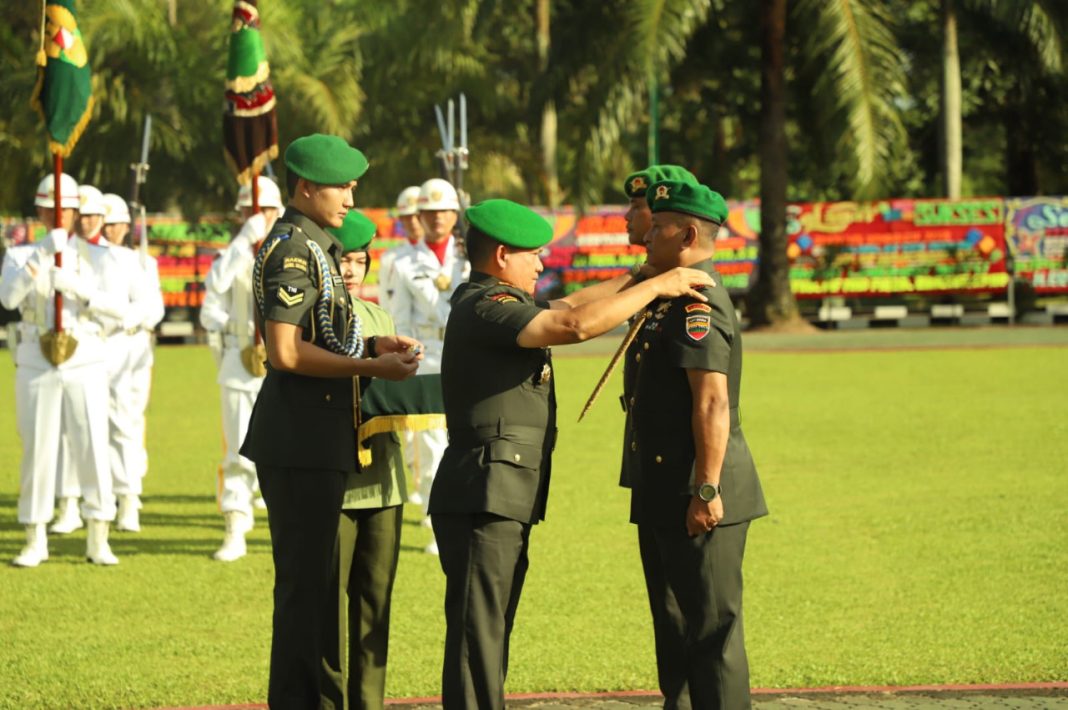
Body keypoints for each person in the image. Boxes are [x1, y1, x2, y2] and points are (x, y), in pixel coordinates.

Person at [429, 198, 715, 709]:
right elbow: (572, 328)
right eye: (533, 255)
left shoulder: (498, 301)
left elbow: (568, 308)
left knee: (489, 632)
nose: (541, 264)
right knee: (479, 638)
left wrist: (641, 275)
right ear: (500, 255)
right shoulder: (483, 305)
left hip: (500, 496)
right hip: (482, 496)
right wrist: (658, 285)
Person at [238, 133, 422, 709]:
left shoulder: (313, 243)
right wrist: (370, 364)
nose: (350, 196)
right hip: (301, 441)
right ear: (306, 187)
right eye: (341, 185)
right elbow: (286, 352)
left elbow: (323, 333)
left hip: (313, 439)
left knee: (313, 592)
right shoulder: (295, 248)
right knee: (306, 594)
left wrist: (372, 338)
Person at [627, 179, 768, 709]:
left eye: (658, 226)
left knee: (712, 635)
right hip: (664, 484)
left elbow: (711, 402)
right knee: (675, 628)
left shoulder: (697, 303)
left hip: (698, 489)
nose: (646, 234)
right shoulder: (669, 293)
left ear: (687, 234)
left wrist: (706, 489)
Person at [0, 173, 131, 566]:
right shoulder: (21, 254)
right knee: (38, 449)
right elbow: (8, 297)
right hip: (37, 357)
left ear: (75, 213)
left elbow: (121, 309)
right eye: (51, 209)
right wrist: (40, 256)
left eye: (67, 210)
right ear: (39, 210)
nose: (59, 216)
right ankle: (35, 535)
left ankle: (98, 534)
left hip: (86, 356)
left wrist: (78, 287)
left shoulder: (102, 255)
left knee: (92, 444)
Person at [320, 210, 407, 710]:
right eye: (343, 260)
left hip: (382, 481)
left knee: (375, 603)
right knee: (329, 604)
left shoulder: (380, 318)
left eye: (359, 261)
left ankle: (368, 703)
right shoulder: (314, 317)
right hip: (334, 479)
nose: (351, 271)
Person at [199, 176, 282, 561]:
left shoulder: (289, 250)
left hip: (284, 360)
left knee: (287, 449)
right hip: (239, 358)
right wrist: (241, 242)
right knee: (236, 450)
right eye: (250, 211)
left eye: (264, 211)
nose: (258, 218)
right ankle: (235, 525)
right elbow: (214, 285)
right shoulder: (230, 256)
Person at [390, 177, 470, 553]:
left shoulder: (472, 255)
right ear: (419, 215)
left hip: (465, 354)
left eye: (444, 211)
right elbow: (400, 320)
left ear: (456, 213)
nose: (437, 218)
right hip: (427, 357)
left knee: (467, 438)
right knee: (431, 446)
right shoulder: (402, 261)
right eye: (430, 212)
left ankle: (466, 511)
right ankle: (439, 520)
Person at [100, 191, 165, 532]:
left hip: (131, 348)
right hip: (99, 347)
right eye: (105, 224)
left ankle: (127, 494)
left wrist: (124, 317)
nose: (110, 230)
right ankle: (108, 492)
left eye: (116, 224)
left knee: (128, 423)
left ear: (127, 226)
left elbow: (154, 308)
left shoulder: (142, 262)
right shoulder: (91, 258)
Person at [377, 185, 423, 314]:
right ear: (400, 219)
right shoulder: (389, 259)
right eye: (407, 216)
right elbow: (385, 301)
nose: (413, 221)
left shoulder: (453, 252)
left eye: (417, 215)